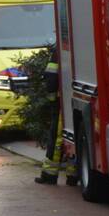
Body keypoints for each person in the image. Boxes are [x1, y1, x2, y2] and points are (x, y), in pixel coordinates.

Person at [35, 49, 77, 186]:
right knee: (74, 136)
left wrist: (52, 99)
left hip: (62, 101)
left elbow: (52, 77)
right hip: (79, 99)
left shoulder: (59, 50)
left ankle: (49, 174)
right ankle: (73, 175)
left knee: (57, 136)